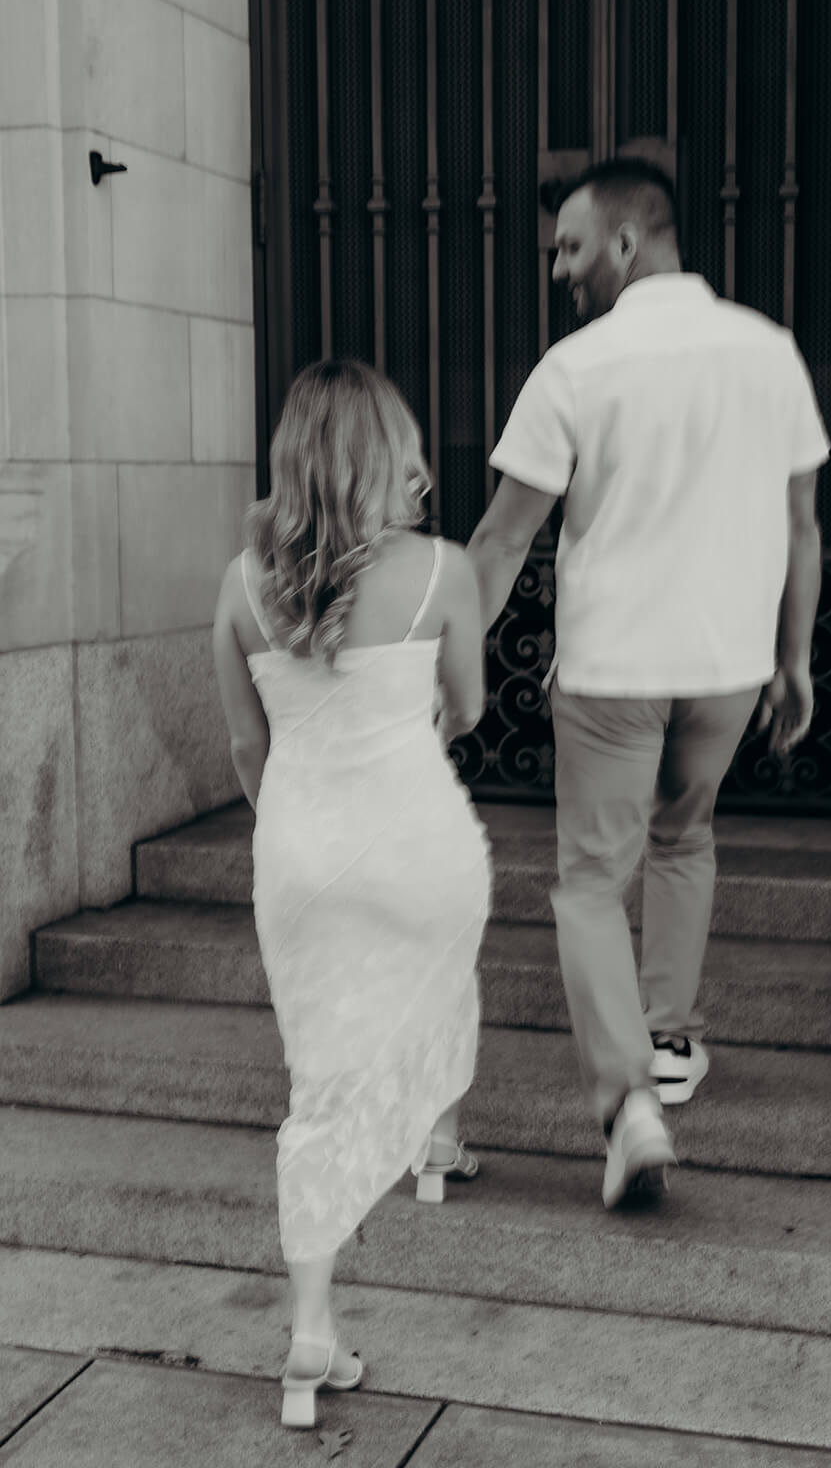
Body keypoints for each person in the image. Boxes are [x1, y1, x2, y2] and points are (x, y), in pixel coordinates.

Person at [467, 157, 829, 1210]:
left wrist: (433, 660)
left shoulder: (576, 367)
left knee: (588, 880)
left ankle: (629, 1100)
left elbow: (499, 541)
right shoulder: (768, 352)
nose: (559, 271)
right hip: (725, 666)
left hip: (613, 669)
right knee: (684, 840)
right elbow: (799, 522)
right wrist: (793, 657)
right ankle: (671, 1040)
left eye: (568, 248)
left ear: (627, 242)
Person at [212, 358, 490, 1428]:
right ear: (392, 450)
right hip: (416, 836)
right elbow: (462, 706)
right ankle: (429, 1134)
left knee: (316, 1085)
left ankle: (309, 1331)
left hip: (300, 852)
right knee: (437, 974)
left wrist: (292, 815)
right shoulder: (442, 571)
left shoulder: (237, 584)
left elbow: (247, 745)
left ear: (291, 454)